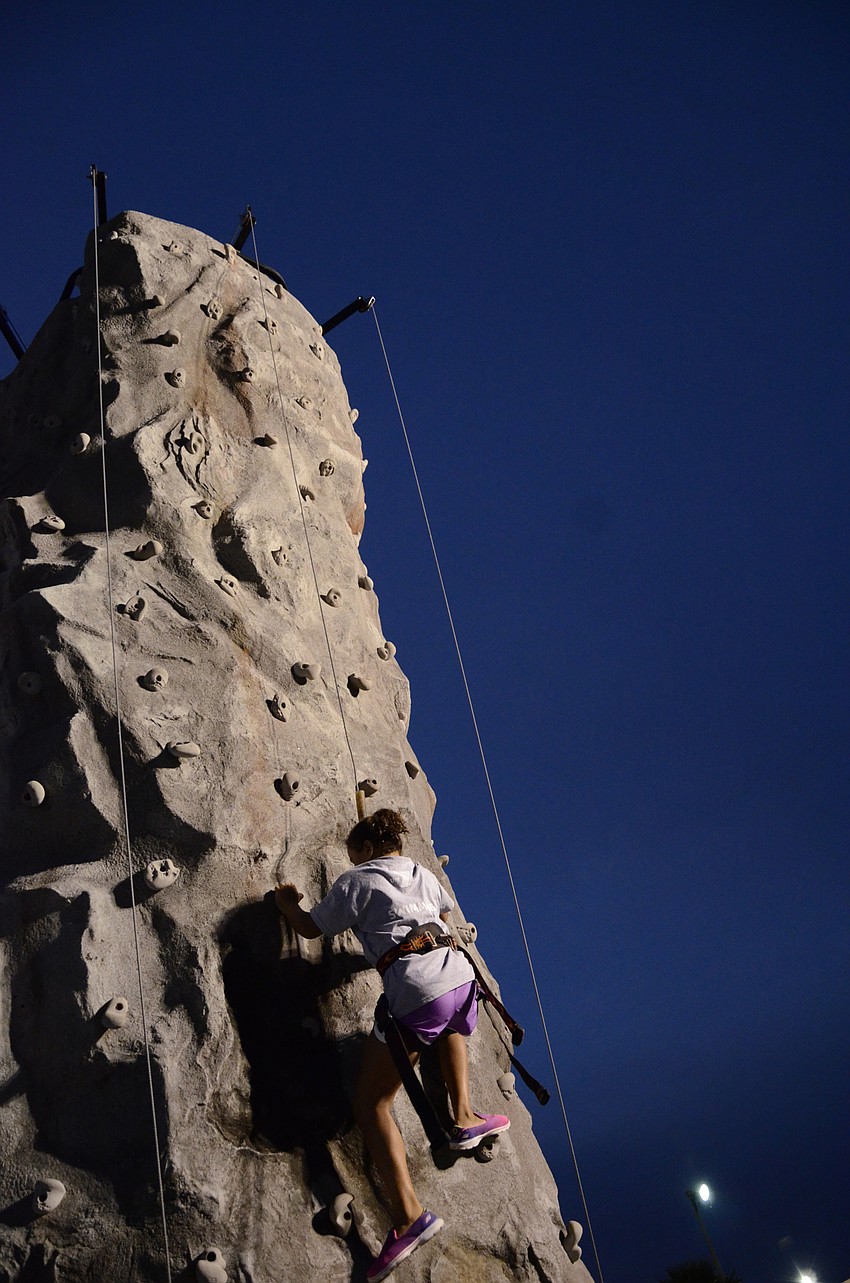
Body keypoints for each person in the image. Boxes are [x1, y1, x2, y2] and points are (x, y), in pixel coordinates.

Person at [274, 808, 510, 1282]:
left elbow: (311, 928)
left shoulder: (357, 879)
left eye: (352, 852)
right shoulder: (423, 870)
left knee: (371, 1103)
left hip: (418, 988)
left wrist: (286, 904)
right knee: (449, 1022)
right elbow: (441, 917)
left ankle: (408, 1218)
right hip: (460, 977)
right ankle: (463, 1115)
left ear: (362, 850)